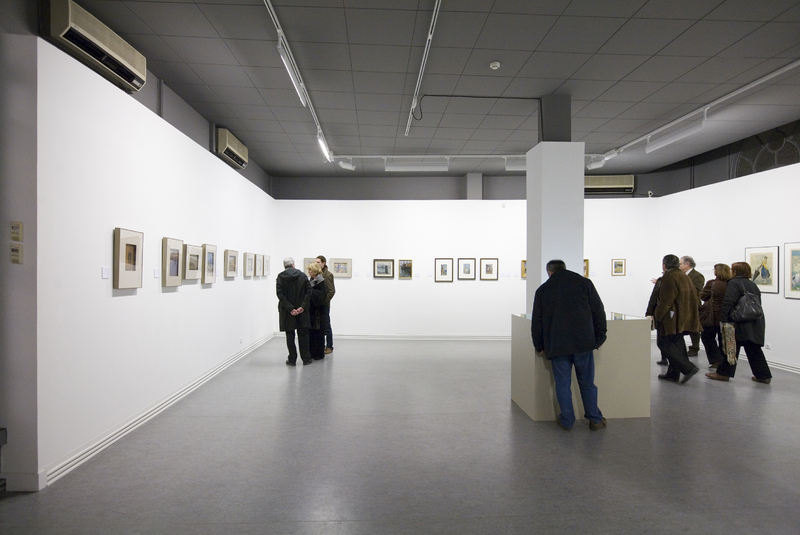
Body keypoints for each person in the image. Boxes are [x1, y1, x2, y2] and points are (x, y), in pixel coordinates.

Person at [531, 259, 608, 431]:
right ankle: (595, 419)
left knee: (562, 384)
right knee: (587, 383)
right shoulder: (585, 283)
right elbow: (598, 311)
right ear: (564, 269)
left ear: (549, 272)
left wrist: (539, 345)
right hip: (583, 343)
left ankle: (567, 420)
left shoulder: (543, 290)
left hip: (558, 344)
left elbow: (537, 321)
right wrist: (599, 338)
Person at [706, 262, 772, 384]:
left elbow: (728, 302)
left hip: (738, 321)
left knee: (730, 348)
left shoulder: (734, 283)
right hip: (754, 321)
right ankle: (763, 376)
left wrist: (724, 320)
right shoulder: (752, 284)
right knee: (753, 349)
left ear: (735, 272)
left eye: (732, 270)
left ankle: (723, 374)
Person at [654, 254, 701, 384]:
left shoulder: (669, 277)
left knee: (663, 343)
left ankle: (688, 368)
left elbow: (666, 300)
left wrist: (658, 316)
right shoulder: (683, 276)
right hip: (683, 316)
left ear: (664, 265)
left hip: (672, 318)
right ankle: (673, 374)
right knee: (678, 344)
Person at [276, 257, 312, 366]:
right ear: (293, 264)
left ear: (284, 266)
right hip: (302, 312)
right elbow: (309, 291)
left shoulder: (280, 277)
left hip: (287, 312)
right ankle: (306, 359)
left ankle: (292, 359)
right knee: (303, 335)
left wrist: (290, 308)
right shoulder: (302, 275)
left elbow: (280, 295)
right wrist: (302, 307)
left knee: (290, 335)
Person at [698, 264, 731, 369]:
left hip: (712, 316)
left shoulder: (712, 283)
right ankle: (724, 362)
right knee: (723, 339)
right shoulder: (731, 284)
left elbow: (702, 296)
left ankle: (716, 359)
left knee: (707, 337)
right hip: (727, 316)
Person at [680, 256, 705, 356]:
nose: (679, 266)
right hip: (683, 304)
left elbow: (697, 290)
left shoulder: (697, 276)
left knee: (694, 327)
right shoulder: (681, 275)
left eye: (681, 264)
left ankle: (695, 348)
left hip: (693, 305)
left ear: (687, 264)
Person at [645, 275, 670, 366]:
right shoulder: (682, 279)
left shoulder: (662, 281)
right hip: (667, 315)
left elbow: (654, 298)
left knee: (662, 340)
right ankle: (666, 360)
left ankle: (686, 367)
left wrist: (649, 313)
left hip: (663, 315)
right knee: (665, 340)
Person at [306, 262, 327, 361]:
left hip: (319, 312)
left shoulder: (321, 281)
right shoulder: (311, 280)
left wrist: (311, 292)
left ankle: (319, 353)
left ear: (314, 271)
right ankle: (312, 352)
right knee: (311, 332)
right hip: (312, 311)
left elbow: (322, 296)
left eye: (310, 270)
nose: (309, 272)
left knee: (319, 333)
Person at [316, 255, 335, 354]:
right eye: (315, 262)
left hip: (324, 305)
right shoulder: (317, 274)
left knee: (326, 325)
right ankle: (321, 345)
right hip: (317, 305)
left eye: (318, 262)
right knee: (319, 326)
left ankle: (329, 346)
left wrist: (324, 301)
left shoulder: (328, 275)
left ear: (323, 263)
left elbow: (331, 291)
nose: (316, 264)